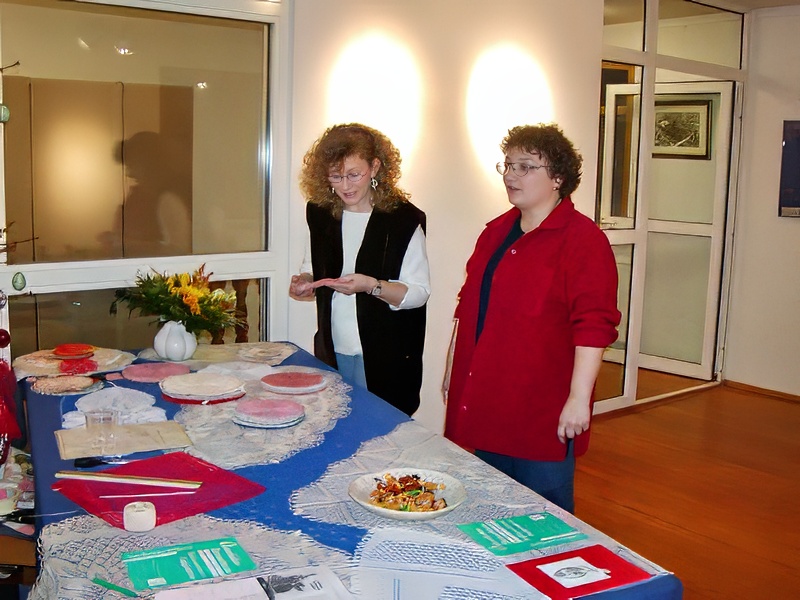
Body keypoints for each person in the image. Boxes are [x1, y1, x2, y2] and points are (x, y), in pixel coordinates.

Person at [443, 124, 621, 513]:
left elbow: (594, 327)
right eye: (508, 165)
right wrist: (454, 366)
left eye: (525, 167)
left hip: (541, 404)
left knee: (545, 515)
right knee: (488, 506)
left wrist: (579, 400)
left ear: (558, 178)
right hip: (490, 395)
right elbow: (469, 305)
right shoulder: (495, 232)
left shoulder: (583, 241)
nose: (511, 175)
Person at [289, 123, 430, 416]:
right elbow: (312, 268)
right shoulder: (321, 214)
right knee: (335, 425)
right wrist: (305, 282)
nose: (345, 186)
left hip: (384, 356)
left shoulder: (403, 220)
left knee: (378, 429)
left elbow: (418, 293)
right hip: (333, 347)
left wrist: (371, 286)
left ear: (375, 167)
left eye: (354, 175)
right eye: (335, 176)